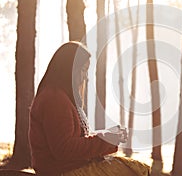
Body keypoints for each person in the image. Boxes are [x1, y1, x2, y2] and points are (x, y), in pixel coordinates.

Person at [29, 42, 149, 176]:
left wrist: (107, 135)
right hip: (61, 171)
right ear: (68, 69)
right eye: (83, 70)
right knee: (135, 171)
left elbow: (76, 139)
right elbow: (64, 149)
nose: (86, 77)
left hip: (69, 167)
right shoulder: (54, 99)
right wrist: (106, 139)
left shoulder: (61, 97)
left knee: (137, 168)